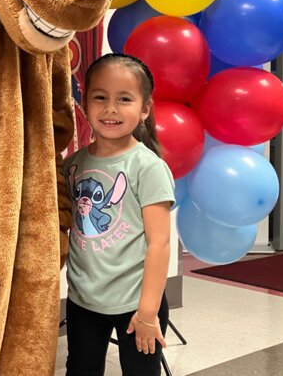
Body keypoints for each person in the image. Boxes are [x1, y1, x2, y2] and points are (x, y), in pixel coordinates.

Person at [63, 53, 175, 376]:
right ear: (84, 103)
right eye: (101, 97)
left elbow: (159, 244)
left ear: (144, 109)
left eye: (124, 99)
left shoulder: (148, 167)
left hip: (137, 304)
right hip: (83, 301)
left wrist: (148, 313)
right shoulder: (73, 165)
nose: (111, 108)